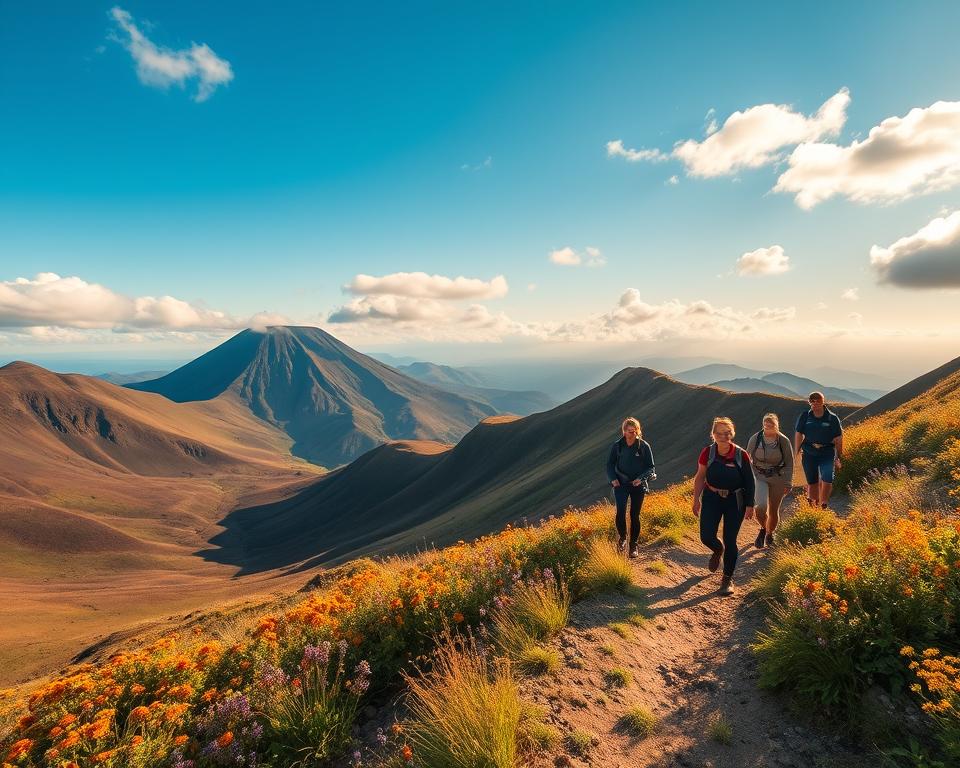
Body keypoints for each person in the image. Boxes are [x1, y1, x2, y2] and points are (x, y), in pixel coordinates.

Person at [692, 417, 755, 596]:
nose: (723, 436)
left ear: (732, 434)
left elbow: (750, 481)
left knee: (731, 539)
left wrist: (750, 504)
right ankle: (717, 550)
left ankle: (727, 579)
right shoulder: (707, 453)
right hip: (711, 497)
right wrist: (696, 499)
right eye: (719, 433)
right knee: (706, 536)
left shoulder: (741, 454)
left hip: (735, 500)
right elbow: (700, 476)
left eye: (727, 433)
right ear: (713, 435)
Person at [605, 417, 656, 558]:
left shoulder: (644, 446)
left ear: (638, 431)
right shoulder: (617, 446)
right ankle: (622, 539)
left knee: (635, 515)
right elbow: (610, 464)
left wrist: (641, 479)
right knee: (620, 512)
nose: (632, 434)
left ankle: (633, 545)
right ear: (624, 431)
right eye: (629, 431)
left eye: (634, 431)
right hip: (621, 485)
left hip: (638, 486)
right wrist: (613, 479)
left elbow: (651, 467)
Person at [745, 413, 794, 548]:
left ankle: (769, 533)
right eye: (765, 425)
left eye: (771, 425)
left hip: (778, 477)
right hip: (759, 476)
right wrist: (749, 475)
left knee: (773, 510)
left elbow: (790, 462)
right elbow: (746, 457)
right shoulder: (755, 438)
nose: (768, 428)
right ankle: (763, 528)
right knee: (760, 506)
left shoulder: (783, 440)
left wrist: (788, 482)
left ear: (776, 426)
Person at [794, 392, 843, 508]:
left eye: (818, 400)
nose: (815, 403)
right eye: (812, 400)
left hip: (826, 452)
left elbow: (838, 438)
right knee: (812, 481)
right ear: (809, 402)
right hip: (809, 451)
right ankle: (813, 506)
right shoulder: (805, 416)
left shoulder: (832, 418)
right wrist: (796, 451)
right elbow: (798, 434)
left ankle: (823, 503)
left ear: (823, 401)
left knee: (827, 478)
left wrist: (839, 456)